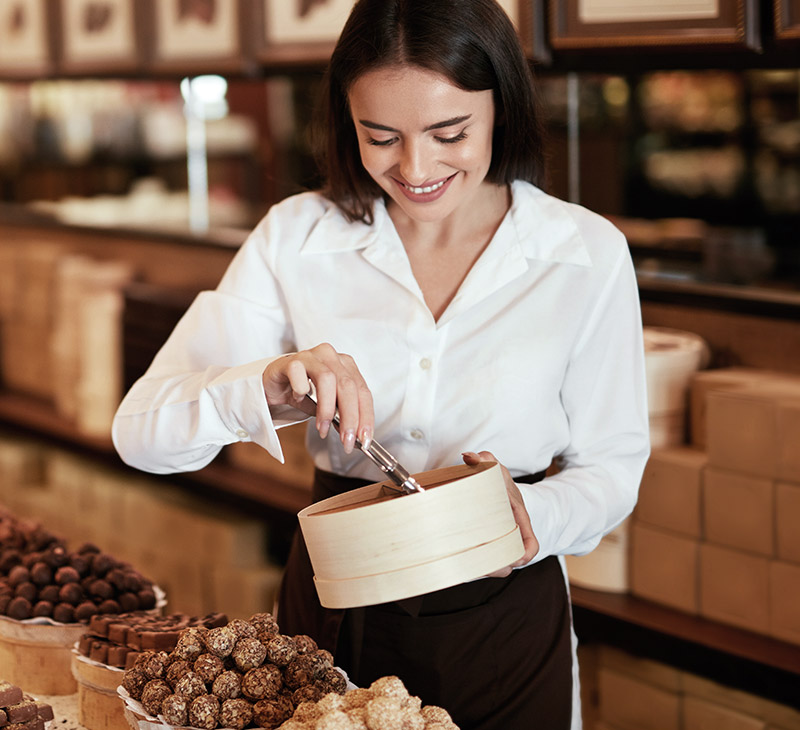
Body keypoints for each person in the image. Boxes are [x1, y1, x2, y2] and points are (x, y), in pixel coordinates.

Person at [112, 0, 650, 727]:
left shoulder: (583, 253)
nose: (416, 167)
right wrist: (264, 388)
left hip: (505, 613)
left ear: (504, 108)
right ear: (346, 120)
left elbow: (614, 463)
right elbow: (140, 432)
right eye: (382, 136)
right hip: (336, 608)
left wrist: (534, 519)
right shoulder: (298, 235)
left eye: (449, 132)